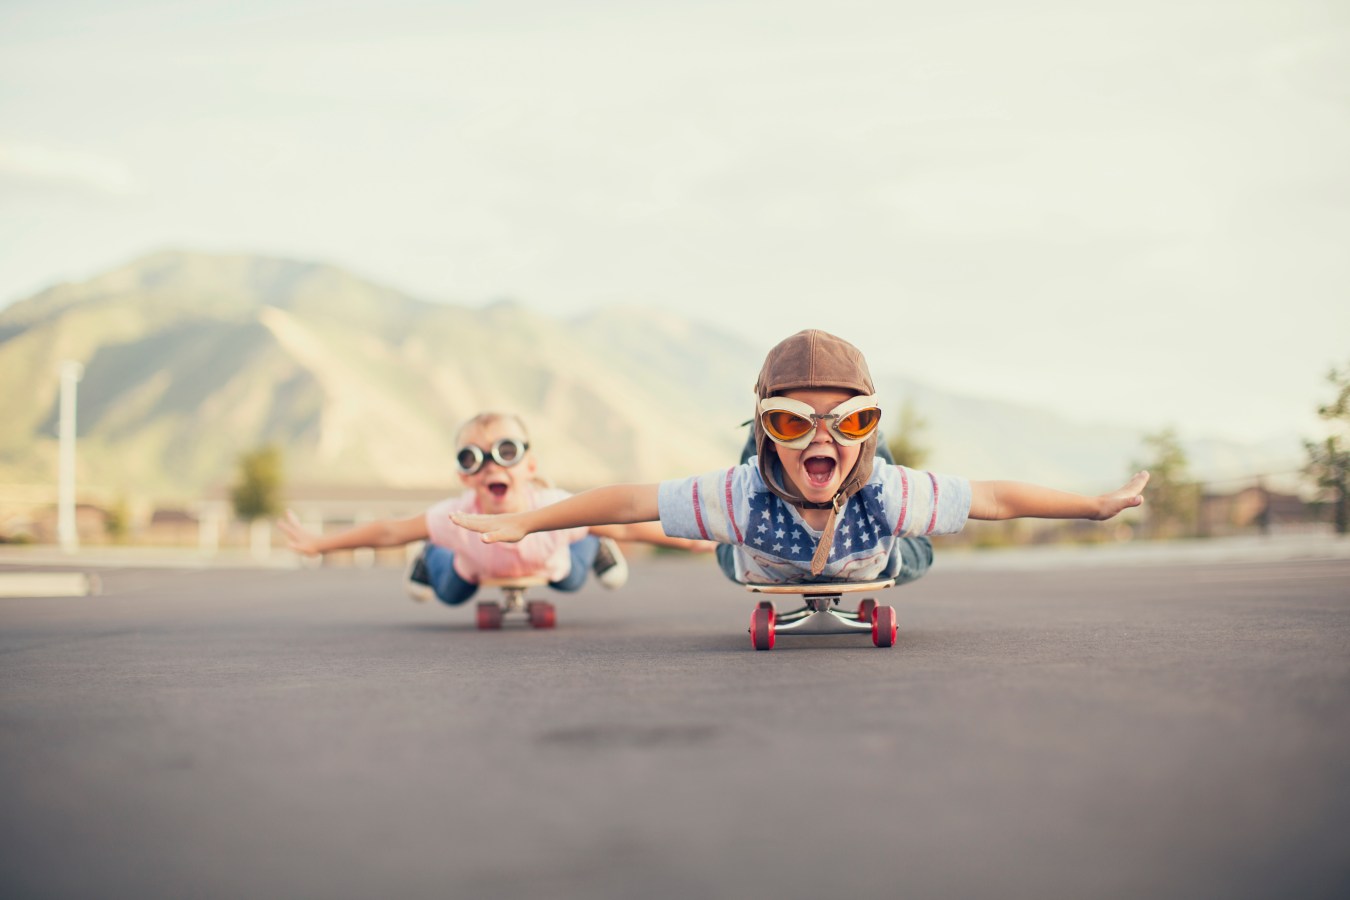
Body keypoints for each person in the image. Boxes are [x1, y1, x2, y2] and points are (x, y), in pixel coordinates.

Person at [450, 330, 1149, 588]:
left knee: (910, 542)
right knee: (731, 526)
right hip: (758, 550)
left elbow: (995, 498)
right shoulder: (736, 497)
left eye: (849, 421)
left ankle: (852, 446)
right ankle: (774, 445)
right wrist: (528, 523)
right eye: (790, 420)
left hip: (872, 550)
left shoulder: (891, 495)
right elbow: (629, 500)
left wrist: (1092, 505)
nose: (821, 437)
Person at [278, 411, 707, 605]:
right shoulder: (457, 517)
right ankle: (430, 558)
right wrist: (322, 544)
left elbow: (628, 527)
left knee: (574, 574)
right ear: (464, 475)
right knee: (448, 592)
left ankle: (592, 547)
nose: (489, 467)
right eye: (472, 458)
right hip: (474, 568)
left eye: (505, 451)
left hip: (552, 560)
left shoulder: (553, 508)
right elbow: (390, 532)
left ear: (530, 466)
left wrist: (689, 539)